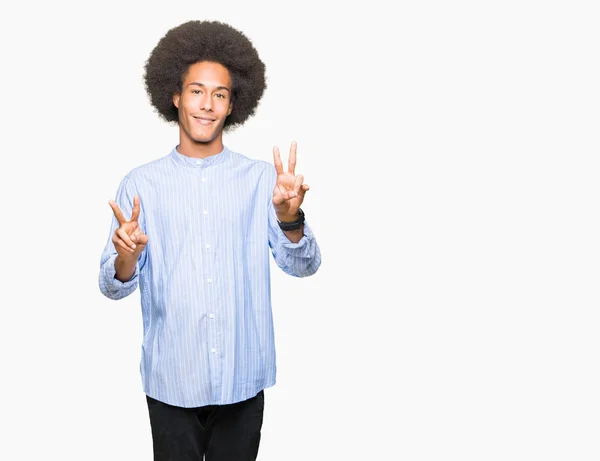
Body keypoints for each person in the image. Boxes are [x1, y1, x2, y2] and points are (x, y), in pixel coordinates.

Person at [98, 20, 321, 461]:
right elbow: (112, 285)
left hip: (242, 376)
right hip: (171, 381)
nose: (207, 104)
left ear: (232, 104)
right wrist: (126, 257)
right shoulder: (141, 184)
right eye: (197, 91)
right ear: (176, 96)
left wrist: (290, 217)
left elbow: (304, 265)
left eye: (219, 94)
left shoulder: (262, 180)